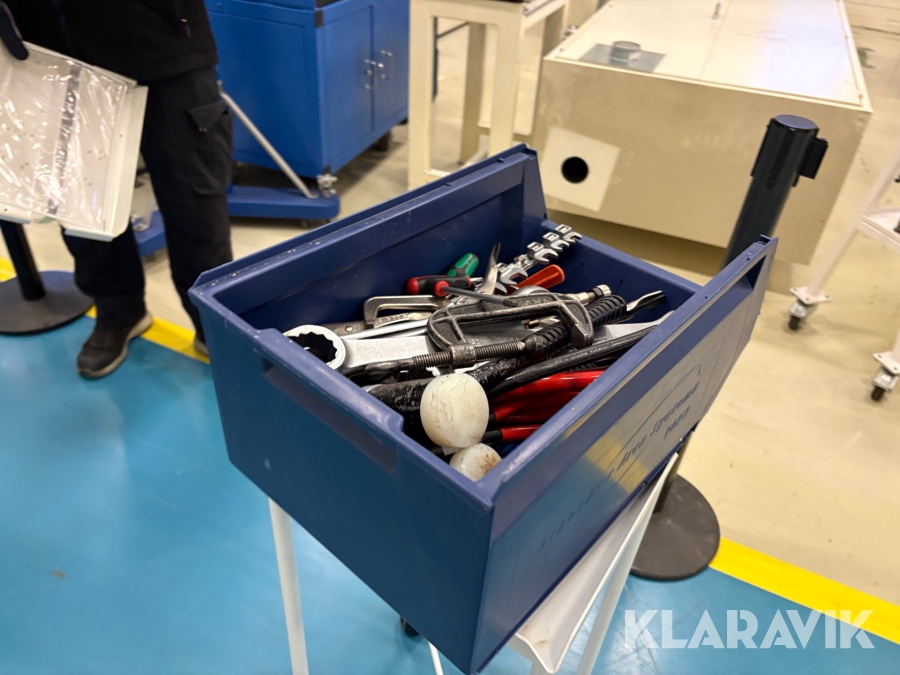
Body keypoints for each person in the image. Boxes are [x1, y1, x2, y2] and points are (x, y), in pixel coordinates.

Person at [0, 0, 233, 378]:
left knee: (196, 203)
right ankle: (118, 311)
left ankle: (215, 324)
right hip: (55, 55)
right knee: (82, 207)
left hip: (166, 43)